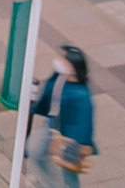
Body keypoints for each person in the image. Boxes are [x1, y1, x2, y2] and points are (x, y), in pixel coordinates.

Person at [27, 45, 95, 185]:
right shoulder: (60, 76)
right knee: (34, 151)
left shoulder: (81, 95)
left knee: (69, 173)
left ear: (73, 66)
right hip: (52, 125)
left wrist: (77, 144)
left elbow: (84, 123)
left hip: (70, 137)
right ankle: (49, 184)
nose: (59, 61)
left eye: (63, 59)